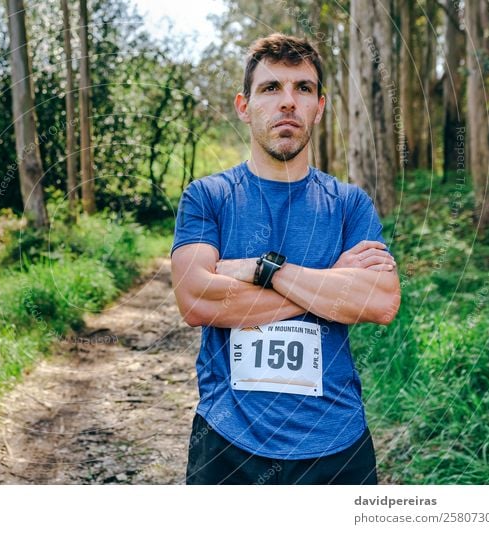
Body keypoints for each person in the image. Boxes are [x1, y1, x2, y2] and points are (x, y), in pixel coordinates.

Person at [170, 33, 401, 485]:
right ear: (244, 105)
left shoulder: (349, 204)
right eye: (271, 88)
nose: (288, 102)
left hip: (337, 442)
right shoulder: (208, 197)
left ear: (320, 105)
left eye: (303, 88)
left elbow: (381, 302)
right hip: (228, 440)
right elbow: (196, 301)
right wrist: (331, 282)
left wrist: (263, 271)